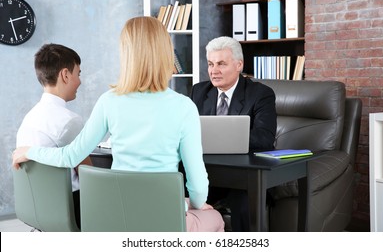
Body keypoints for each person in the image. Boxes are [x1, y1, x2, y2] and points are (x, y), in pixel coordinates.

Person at [13, 16, 224, 232]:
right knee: (215, 218)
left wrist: (29, 151)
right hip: (162, 219)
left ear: (127, 55)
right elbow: (198, 185)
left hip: (117, 216)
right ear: (165, 53)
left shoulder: (109, 100)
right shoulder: (184, 107)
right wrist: (197, 204)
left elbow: (69, 156)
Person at [190, 36, 277, 231]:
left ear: (239, 65)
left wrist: (220, 137)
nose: (214, 71)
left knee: (244, 202)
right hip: (206, 172)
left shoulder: (261, 94)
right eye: (211, 64)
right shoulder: (198, 92)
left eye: (221, 64)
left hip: (244, 176)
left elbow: (264, 138)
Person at [16, 43, 92, 229]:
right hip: (70, 209)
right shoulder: (69, 121)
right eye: (78, 73)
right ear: (66, 75)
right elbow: (89, 177)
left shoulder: (29, 118)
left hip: (37, 208)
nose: (80, 81)